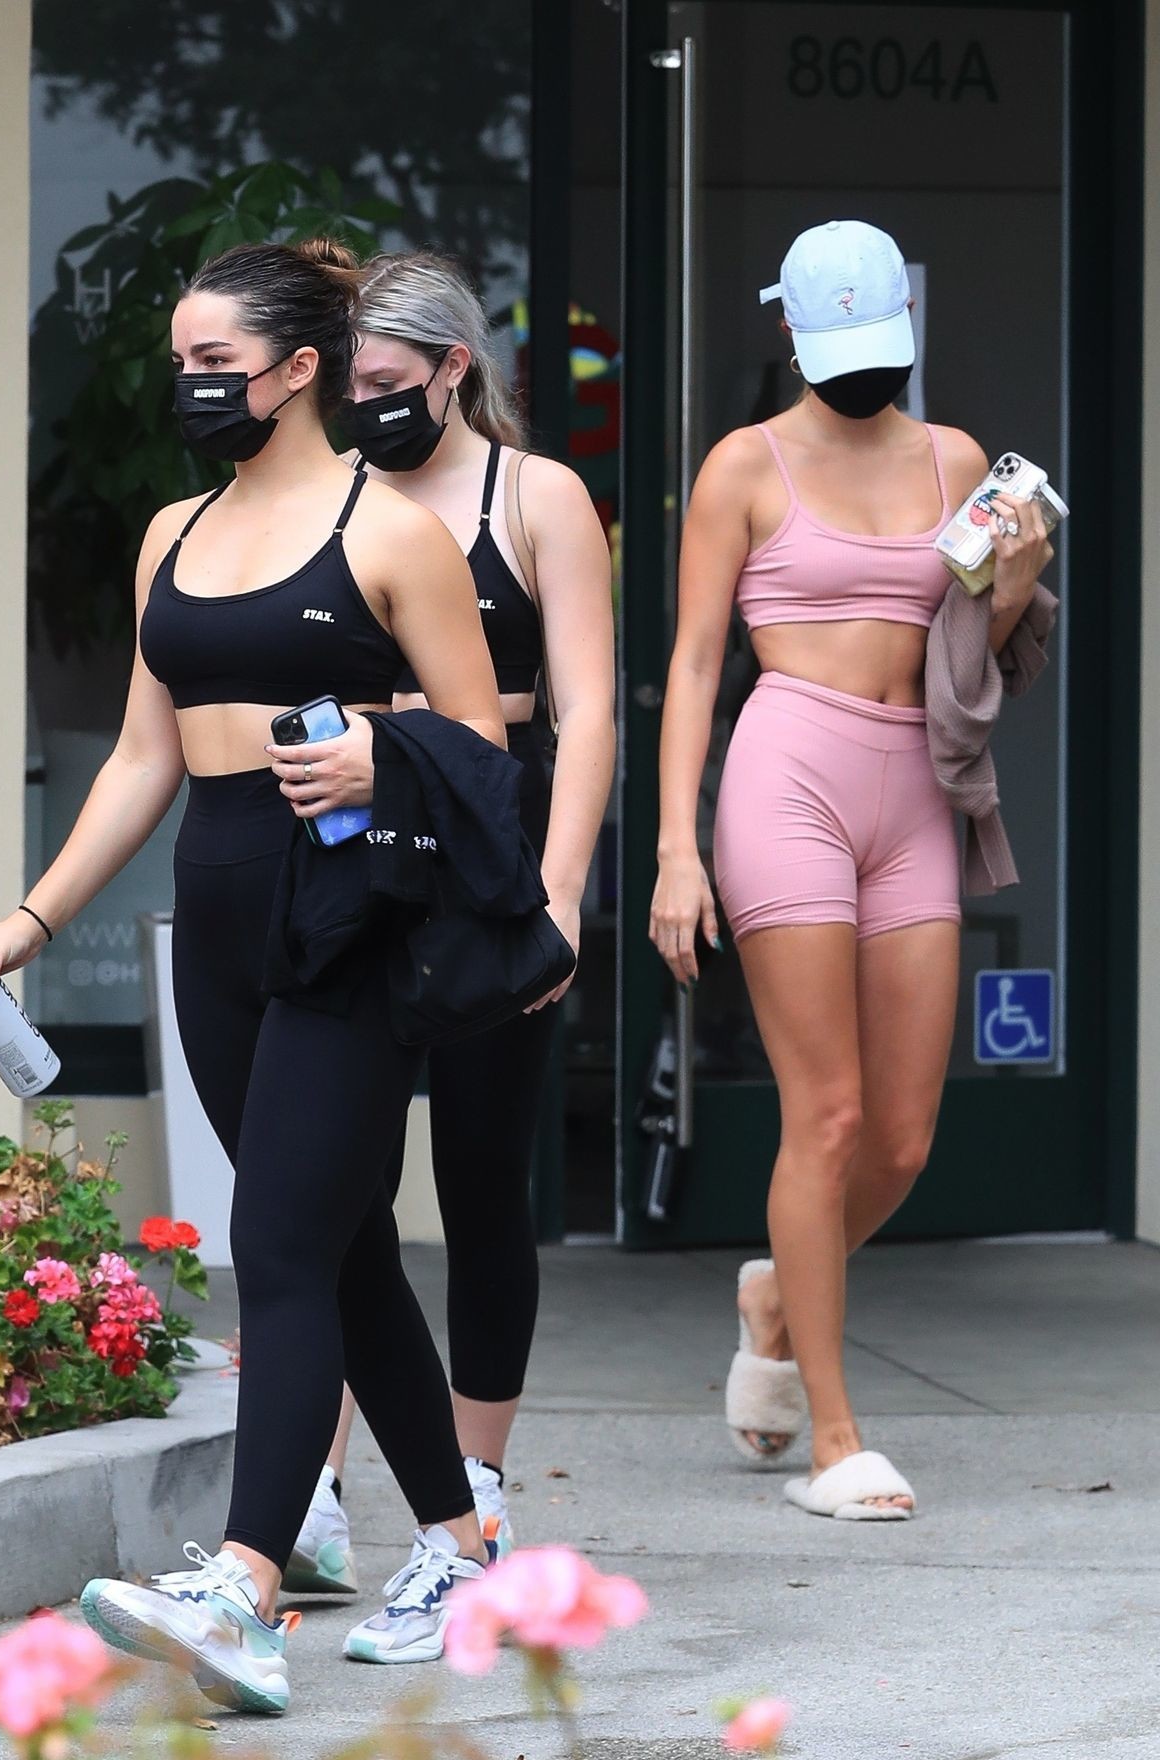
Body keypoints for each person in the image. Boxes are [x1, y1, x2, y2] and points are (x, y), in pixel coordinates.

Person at [0, 238, 518, 1707]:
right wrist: (27, 926)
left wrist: (382, 755)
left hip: (351, 911)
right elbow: (144, 757)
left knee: (277, 1244)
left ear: (298, 370)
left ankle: (246, 1587)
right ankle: (461, 1546)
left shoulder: (394, 534)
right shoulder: (171, 534)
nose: (189, 385)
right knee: (342, 1243)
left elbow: (484, 752)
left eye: (214, 363)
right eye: (180, 362)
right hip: (220, 908)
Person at [649, 220, 1052, 1521]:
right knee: (822, 1116)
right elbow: (695, 667)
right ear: (790, 335)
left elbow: (978, 644)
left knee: (903, 1136)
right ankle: (833, 1438)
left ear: (905, 328)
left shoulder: (954, 459)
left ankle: (777, 1294)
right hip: (790, 777)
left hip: (915, 785)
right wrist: (674, 849)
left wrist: (1016, 583)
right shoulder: (743, 465)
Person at [283, 251, 615, 1599]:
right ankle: (311, 1484)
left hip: (488, 834)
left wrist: (560, 890)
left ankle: (474, 1489)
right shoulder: (331, 494)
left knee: (480, 1171)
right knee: (334, 1182)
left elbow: (587, 710)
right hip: (355, 835)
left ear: (451, 368)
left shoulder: (534, 496)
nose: (363, 404)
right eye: (348, 382)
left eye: (384, 380)